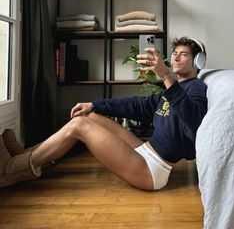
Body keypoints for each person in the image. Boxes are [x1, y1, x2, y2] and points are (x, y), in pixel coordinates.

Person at [0, 36, 207, 190]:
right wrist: (94, 104)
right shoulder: (172, 90)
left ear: (198, 61)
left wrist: (165, 75)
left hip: (153, 168)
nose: (177, 57)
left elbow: (197, 124)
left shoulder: (196, 87)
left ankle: (10, 170)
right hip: (144, 150)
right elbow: (135, 105)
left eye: (184, 54)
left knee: (78, 126)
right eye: (175, 53)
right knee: (88, 117)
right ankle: (25, 156)